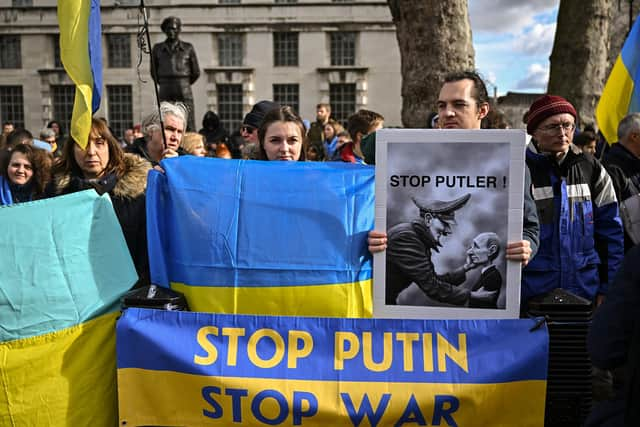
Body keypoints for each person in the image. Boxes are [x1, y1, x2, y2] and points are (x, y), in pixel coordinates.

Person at [369, 71, 539, 270]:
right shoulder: (412, 156)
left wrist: (527, 247)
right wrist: (372, 237)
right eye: (442, 105)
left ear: (482, 110)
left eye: (459, 105)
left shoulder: (509, 160)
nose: (447, 113)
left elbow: (529, 226)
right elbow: (382, 215)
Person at [523, 94, 623, 305]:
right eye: (552, 127)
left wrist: (609, 288)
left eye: (568, 125)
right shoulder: (517, 167)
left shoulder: (592, 168)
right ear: (534, 132)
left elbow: (611, 233)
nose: (562, 133)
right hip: (530, 294)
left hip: (584, 291)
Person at [51, 118, 152, 287]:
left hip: (126, 295)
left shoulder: (137, 196)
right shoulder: (55, 194)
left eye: (99, 143)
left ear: (110, 148)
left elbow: (146, 255)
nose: (91, 152)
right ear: (71, 150)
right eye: (82, 143)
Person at [386, 194, 473, 305]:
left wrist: (466, 268)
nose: (448, 231)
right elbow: (432, 287)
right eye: (444, 223)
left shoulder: (417, 239)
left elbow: (433, 280)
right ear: (428, 219)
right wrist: (472, 296)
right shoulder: (407, 238)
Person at [151, 16, 200, 131]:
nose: (171, 31)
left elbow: (196, 72)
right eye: (168, 29)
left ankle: (189, 141)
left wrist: (185, 82)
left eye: (174, 29)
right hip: (165, 86)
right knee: (164, 116)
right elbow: (153, 71)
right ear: (164, 31)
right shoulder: (157, 49)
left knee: (188, 117)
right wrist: (164, 82)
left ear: (179, 30)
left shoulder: (188, 48)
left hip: (183, 86)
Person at [603, 113, 640, 252]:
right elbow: (611, 220)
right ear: (634, 136)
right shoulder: (611, 169)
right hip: (626, 254)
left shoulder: (635, 165)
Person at [126, 101, 187, 166]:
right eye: (170, 129)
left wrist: (177, 169)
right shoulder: (128, 161)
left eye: (180, 132)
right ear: (150, 130)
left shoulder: (187, 162)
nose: (175, 137)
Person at [465, 232, 503, 308]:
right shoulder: (487, 273)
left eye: (476, 247)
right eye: (471, 247)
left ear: (492, 250)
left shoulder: (493, 276)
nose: (469, 252)